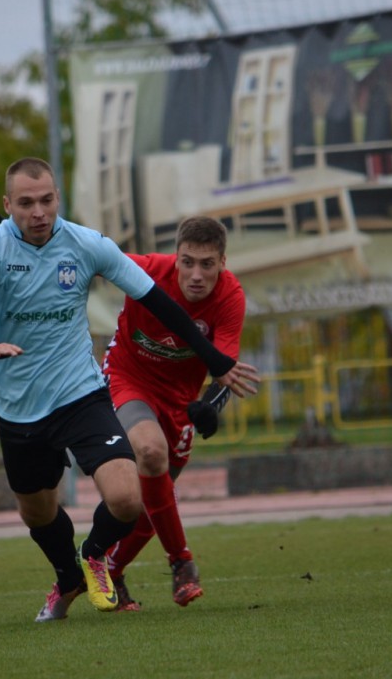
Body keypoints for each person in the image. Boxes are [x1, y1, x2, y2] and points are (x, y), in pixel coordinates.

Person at [0, 157, 258, 623]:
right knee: (37, 513)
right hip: (17, 403)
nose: (39, 211)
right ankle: (68, 577)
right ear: (8, 205)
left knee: (126, 498)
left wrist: (215, 362)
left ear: (58, 198)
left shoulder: (86, 244)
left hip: (79, 392)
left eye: (46, 200)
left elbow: (159, 302)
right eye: (25, 203)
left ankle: (96, 555)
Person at [101, 215, 246, 611]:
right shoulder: (147, 269)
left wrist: (211, 405)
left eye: (207, 264)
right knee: (150, 451)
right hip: (127, 377)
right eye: (188, 262)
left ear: (222, 263)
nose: (196, 275)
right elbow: (88, 253)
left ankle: (110, 572)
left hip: (179, 399)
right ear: (176, 256)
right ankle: (182, 562)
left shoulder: (230, 297)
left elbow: (225, 367)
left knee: (154, 500)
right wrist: (16, 237)